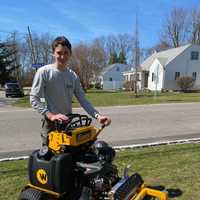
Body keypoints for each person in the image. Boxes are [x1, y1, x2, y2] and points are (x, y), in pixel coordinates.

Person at [30, 36, 111, 145]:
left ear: (70, 54)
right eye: (59, 53)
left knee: (72, 156)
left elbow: (83, 99)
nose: (62, 56)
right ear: (53, 53)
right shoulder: (43, 72)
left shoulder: (73, 76)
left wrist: (98, 116)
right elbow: (34, 99)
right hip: (51, 124)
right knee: (49, 158)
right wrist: (51, 116)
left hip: (68, 123)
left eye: (66, 53)